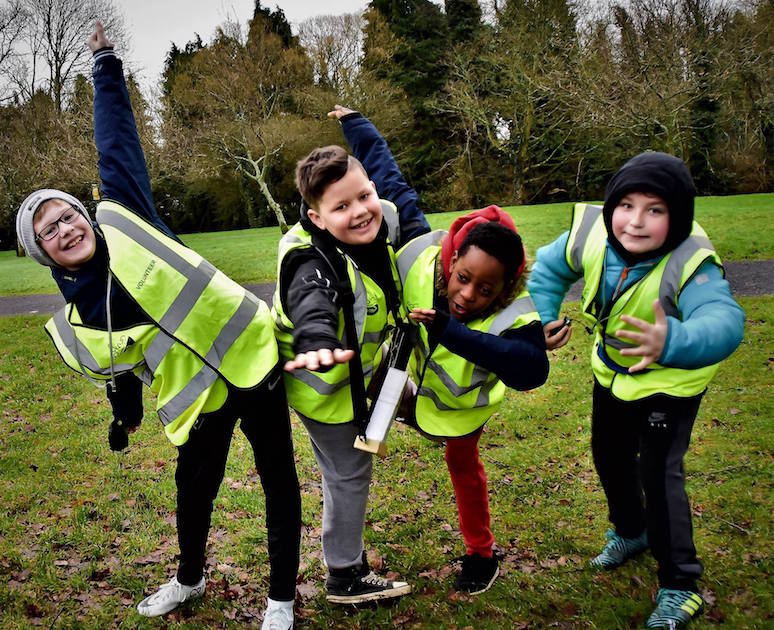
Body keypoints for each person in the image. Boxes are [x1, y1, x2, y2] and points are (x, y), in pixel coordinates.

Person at [15, 23, 300, 629]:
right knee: (193, 490)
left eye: (67, 213)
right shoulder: (77, 317)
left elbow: (116, 142)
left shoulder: (124, 217)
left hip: (251, 353)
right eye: (50, 230)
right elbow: (122, 367)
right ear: (43, 253)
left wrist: (106, 65)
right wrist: (125, 417)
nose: (66, 228)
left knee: (279, 477)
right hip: (196, 397)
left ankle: (280, 600)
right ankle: (190, 579)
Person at [527, 152, 745, 628]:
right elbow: (547, 269)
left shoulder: (692, 259)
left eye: (656, 209)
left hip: (670, 383)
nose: (636, 221)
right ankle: (631, 531)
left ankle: (680, 585)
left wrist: (673, 340)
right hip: (613, 372)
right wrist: (542, 318)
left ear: (678, 216)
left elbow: (726, 321)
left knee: (658, 474)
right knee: (607, 453)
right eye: (626, 204)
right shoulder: (592, 233)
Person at [272, 105, 429, 604]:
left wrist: (359, 126)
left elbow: (386, 171)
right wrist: (316, 342)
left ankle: (412, 409)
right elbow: (310, 300)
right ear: (317, 216)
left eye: (364, 196)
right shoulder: (308, 258)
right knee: (347, 474)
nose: (361, 211)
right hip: (327, 388)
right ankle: (344, 575)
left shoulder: (381, 221)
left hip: (366, 372)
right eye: (342, 208)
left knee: (410, 409)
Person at [395, 207, 549, 594]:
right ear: (453, 258)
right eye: (463, 279)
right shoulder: (422, 258)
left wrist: (451, 332)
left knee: (460, 462)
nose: (467, 296)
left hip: (460, 410)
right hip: (412, 385)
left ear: (505, 289)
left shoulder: (518, 312)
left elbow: (532, 370)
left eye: (486, 290)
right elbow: (389, 178)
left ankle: (481, 553)